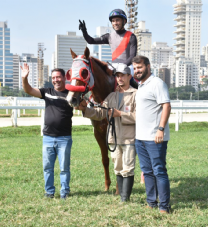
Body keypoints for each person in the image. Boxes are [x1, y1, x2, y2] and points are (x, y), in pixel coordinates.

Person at [75, 63, 137, 202]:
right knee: (118, 168)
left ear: (129, 76)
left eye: (123, 75)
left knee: (128, 168)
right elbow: (100, 112)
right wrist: (85, 110)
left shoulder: (136, 95)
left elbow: (139, 116)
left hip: (129, 138)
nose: (120, 78)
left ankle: (125, 198)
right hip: (114, 138)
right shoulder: (111, 97)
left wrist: (120, 114)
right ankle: (122, 195)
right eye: (118, 76)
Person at [21, 63, 74, 200]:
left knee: (64, 168)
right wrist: (24, 78)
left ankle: (64, 192)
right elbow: (29, 90)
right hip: (48, 138)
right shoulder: (47, 92)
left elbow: (83, 105)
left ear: (64, 78)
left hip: (64, 138)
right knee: (47, 168)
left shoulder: (71, 94)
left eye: (58, 77)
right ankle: (49, 192)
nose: (56, 80)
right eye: (53, 77)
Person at [132, 55, 172, 214]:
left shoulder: (157, 83)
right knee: (147, 171)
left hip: (155, 138)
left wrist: (160, 129)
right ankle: (151, 202)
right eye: (134, 68)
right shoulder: (141, 85)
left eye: (139, 67)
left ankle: (164, 206)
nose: (137, 71)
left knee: (159, 171)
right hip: (140, 138)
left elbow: (167, 106)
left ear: (148, 66)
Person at [79, 9, 138, 88]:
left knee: (126, 76)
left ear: (124, 21)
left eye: (117, 20)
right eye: (113, 21)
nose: (115, 23)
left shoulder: (131, 36)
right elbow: (91, 41)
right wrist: (84, 31)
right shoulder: (109, 36)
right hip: (113, 66)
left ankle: (138, 91)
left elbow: (132, 57)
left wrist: (122, 66)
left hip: (128, 66)